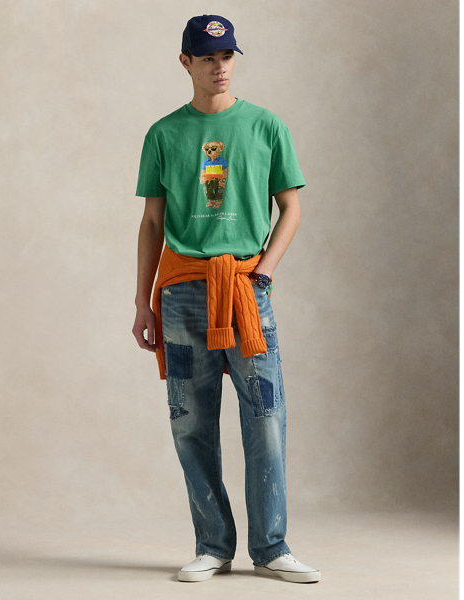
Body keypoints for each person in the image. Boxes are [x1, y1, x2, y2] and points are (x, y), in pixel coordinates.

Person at [132, 14, 320, 584]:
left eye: (227, 56)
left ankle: (272, 547)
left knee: (266, 417)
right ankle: (212, 545)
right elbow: (152, 222)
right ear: (186, 62)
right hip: (182, 293)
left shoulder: (265, 126)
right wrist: (142, 303)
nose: (220, 67)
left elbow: (291, 206)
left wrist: (264, 270)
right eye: (208, 57)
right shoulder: (164, 134)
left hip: (244, 290)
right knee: (190, 422)